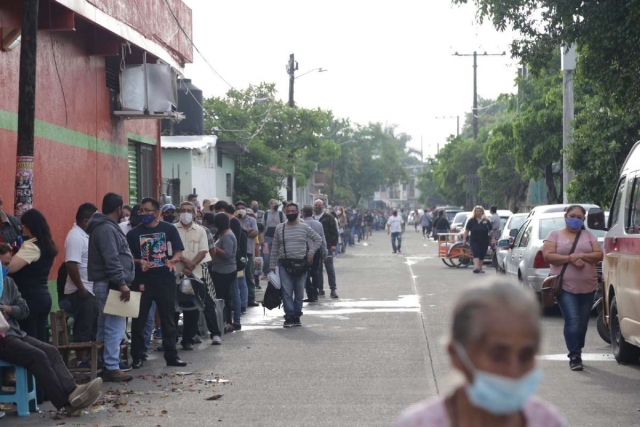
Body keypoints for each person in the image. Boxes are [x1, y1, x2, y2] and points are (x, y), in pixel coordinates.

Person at [395, 280, 566, 427]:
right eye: (498, 356)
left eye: (526, 356)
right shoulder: (418, 423)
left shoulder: (548, 422)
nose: (514, 370)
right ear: (456, 355)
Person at [0, 243, 104, 415]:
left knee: (50, 350)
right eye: (2, 264)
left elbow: (24, 309)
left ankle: (73, 391)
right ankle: (65, 404)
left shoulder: (8, 283)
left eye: (7, 264)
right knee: (37, 356)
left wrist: (10, 310)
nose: (5, 268)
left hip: (16, 333)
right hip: (3, 339)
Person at [127, 197, 186, 369]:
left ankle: (171, 356)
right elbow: (127, 257)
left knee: (168, 319)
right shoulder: (133, 234)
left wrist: (173, 261)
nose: (144, 214)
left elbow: (178, 250)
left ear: (157, 213)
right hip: (142, 281)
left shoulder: (169, 229)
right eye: (141, 211)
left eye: (147, 210)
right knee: (139, 321)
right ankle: (137, 356)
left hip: (165, 280)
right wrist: (139, 262)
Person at [542, 205, 603, 371]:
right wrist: (570, 258)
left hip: (588, 286)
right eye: (572, 215)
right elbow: (548, 256)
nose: (575, 219)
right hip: (565, 287)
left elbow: (599, 255)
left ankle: (577, 346)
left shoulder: (588, 235)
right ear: (565, 216)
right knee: (573, 321)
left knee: (582, 324)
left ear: (583, 220)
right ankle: (575, 356)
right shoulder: (554, 235)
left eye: (579, 217)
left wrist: (582, 255)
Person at [87, 192, 134, 382]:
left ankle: (102, 363)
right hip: (111, 283)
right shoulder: (106, 229)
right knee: (115, 324)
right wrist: (121, 283)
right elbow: (112, 258)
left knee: (105, 324)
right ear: (119, 209)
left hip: (106, 283)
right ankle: (112, 366)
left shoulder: (104, 227)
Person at [270, 203, 322, 328]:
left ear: (298, 212)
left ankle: (297, 315)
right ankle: (289, 316)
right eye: (288, 211)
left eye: (293, 211)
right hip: (284, 264)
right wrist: (272, 264)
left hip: (301, 264)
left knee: (299, 292)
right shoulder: (279, 228)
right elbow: (275, 247)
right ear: (285, 213)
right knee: (286, 292)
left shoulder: (304, 227)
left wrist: (311, 252)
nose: (291, 213)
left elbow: (318, 239)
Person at [8, 208, 57, 341]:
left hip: (29, 299)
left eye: (22, 226)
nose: (21, 229)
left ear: (30, 226)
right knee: (40, 341)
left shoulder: (31, 247)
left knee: (29, 341)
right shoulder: (47, 244)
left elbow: (11, 268)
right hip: (43, 297)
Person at [61, 203, 99, 365]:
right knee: (83, 327)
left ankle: (94, 359)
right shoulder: (75, 237)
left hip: (90, 289)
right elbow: (71, 265)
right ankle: (80, 361)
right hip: (79, 291)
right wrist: (82, 289)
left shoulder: (85, 235)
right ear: (85, 221)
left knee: (93, 325)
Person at [175, 202, 211, 351]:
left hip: (194, 275)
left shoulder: (201, 230)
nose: (185, 213)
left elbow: (203, 251)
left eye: (189, 211)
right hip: (176, 274)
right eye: (183, 210)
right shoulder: (172, 229)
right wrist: (185, 262)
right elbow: (171, 249)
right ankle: (171, 339)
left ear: (195, 214)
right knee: (173, 309)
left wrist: (190, 267)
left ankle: (187, 339)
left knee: (192, 308)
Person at [209, 213, 238, 337]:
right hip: (219, 269)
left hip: (225, 271)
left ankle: (225, 322)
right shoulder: (222, 235)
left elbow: (227, 254)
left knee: (222, 298)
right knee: (224, 297)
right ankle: (224, 322)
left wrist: (214, 248)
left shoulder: (227, 236)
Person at [313, 199, 340, 299]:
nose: (318, 207)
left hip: (327, 246)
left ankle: (333, 289)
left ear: (323, 206)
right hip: (315, 247)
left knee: (329, 269)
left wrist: (333, 244)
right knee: (317, 269)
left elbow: (334, 231)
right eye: (316, 205)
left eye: (320, 205)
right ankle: (320, 289)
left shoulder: (329, 217)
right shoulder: (311, 218)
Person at [235, 201, 260, 308]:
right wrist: (247, 231)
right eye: (239, 208)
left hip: (248, 252)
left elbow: (255, 233)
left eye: (243, 207)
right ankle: (240, 299)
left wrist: (243, 232)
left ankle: (251, 298)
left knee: (249, 275)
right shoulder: (234, 220)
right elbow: (235, 234)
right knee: (239, 276)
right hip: (237, 253)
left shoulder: (252, 220)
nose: (241, 209)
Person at [301, 206, 327, 302]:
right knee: (316, 272)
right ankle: (315, 293)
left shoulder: (301, 224)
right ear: (312, 213)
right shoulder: (318, 224)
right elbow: (322, 239)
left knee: (305, 273)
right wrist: (325, 252)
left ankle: (310, 293)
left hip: (304, 251)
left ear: (303, 213)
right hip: (316, 251)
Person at [462, 206, 492, 274]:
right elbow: (466, 231)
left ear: (482, 212)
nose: (478, 213)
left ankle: (480, 268)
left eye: (480, 211)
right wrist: (464, 239)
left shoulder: (486, 220)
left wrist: (493, 237)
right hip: (474, 240)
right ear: (475, 212)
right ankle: (476, 268)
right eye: (477, 211)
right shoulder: (471, 220)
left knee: (482, 254)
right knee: (476, 253)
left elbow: (490, 230)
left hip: (484, 240)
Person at [262, 199, 285, 278]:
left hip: (278, 238)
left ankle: (277, 271)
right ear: (270, 205)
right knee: (266, 255)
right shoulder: (266, 214)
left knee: (278, 255)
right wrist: (262, 238)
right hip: (267, 238)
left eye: (277, 204)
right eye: (274, 204)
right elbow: (263, 226)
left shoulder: (281, 214)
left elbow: (284, 225)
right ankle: (266, 272)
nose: (276, 205)